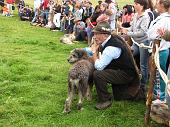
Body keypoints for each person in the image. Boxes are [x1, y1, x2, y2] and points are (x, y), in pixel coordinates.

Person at [91, 21, 143, 110]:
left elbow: (99, 66)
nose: (94, 37)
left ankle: (105, 100)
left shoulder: (111, 48)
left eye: (96, 34)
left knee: (98, 74)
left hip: (126, 74)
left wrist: (94, 53)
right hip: (122, 71)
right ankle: (140, 93)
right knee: (119, 96)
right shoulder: (111, 39)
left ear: (104, 35)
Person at [121, 0, 150, 92]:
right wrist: (125, 29)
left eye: (136, 4)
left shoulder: (145, 17)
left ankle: (143, 85)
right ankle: (132, 79)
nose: (134, 5)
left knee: (143, 64)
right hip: (136, 43)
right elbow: (132, 28)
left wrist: (128, 33)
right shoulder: (136, 15)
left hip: (143, 43)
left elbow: (142, 32)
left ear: (142, 6)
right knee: (128, 56)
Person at [147, 0, 170, 102]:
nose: (156, 4)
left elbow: (152, 34)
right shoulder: (164, 18)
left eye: (158, 3)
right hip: (163, 48)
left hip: (161, 49)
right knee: (161, 74)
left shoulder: (164, 20)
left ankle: (160, 97)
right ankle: (161, 95)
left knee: (159, 74)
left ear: (162, 5)